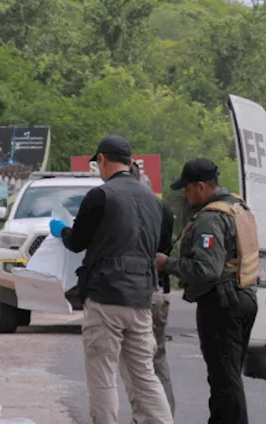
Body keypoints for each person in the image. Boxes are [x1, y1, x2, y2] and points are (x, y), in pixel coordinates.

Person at [48, 136, 173, 424]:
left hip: (106, 297)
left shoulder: (101, 196)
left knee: (102, 374)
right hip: (142, 298)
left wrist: (62, 231)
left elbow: (78, 243)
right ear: (130, 162)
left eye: (98, 163)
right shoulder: (155, 203)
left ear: (102, 159)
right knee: (144, 376)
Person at [156, 158, 261, 424]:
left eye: (188, 189)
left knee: (224, 379)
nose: (185, 194)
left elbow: (206, 270)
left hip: (221, 303)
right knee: (228, 375)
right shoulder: (238, 207)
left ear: (201, 187)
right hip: (245, 296)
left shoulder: (211, 219)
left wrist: (166, 264)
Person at [122, 163, 175, 422]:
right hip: (160, 290)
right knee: (159, 360)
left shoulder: (125, 207)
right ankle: (167, 416)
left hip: (135, 292)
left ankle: (144, 418)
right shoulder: (163, 208)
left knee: (136, 364)